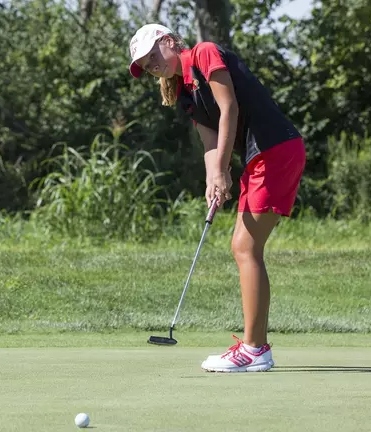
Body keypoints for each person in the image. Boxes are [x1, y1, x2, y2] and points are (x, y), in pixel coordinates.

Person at [128, 24, 306, 372]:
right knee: (243, 247)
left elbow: (229, 108)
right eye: (146, 65)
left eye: (153, 55)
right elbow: (210, 141)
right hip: (261, 156)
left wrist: (224, 169)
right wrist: (214, 178)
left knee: (245, 247)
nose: (152, 66)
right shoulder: (185, 94)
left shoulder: (204, 53)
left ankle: (254, 349)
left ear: (169, 41)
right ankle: (256, 348)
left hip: (274, 149)